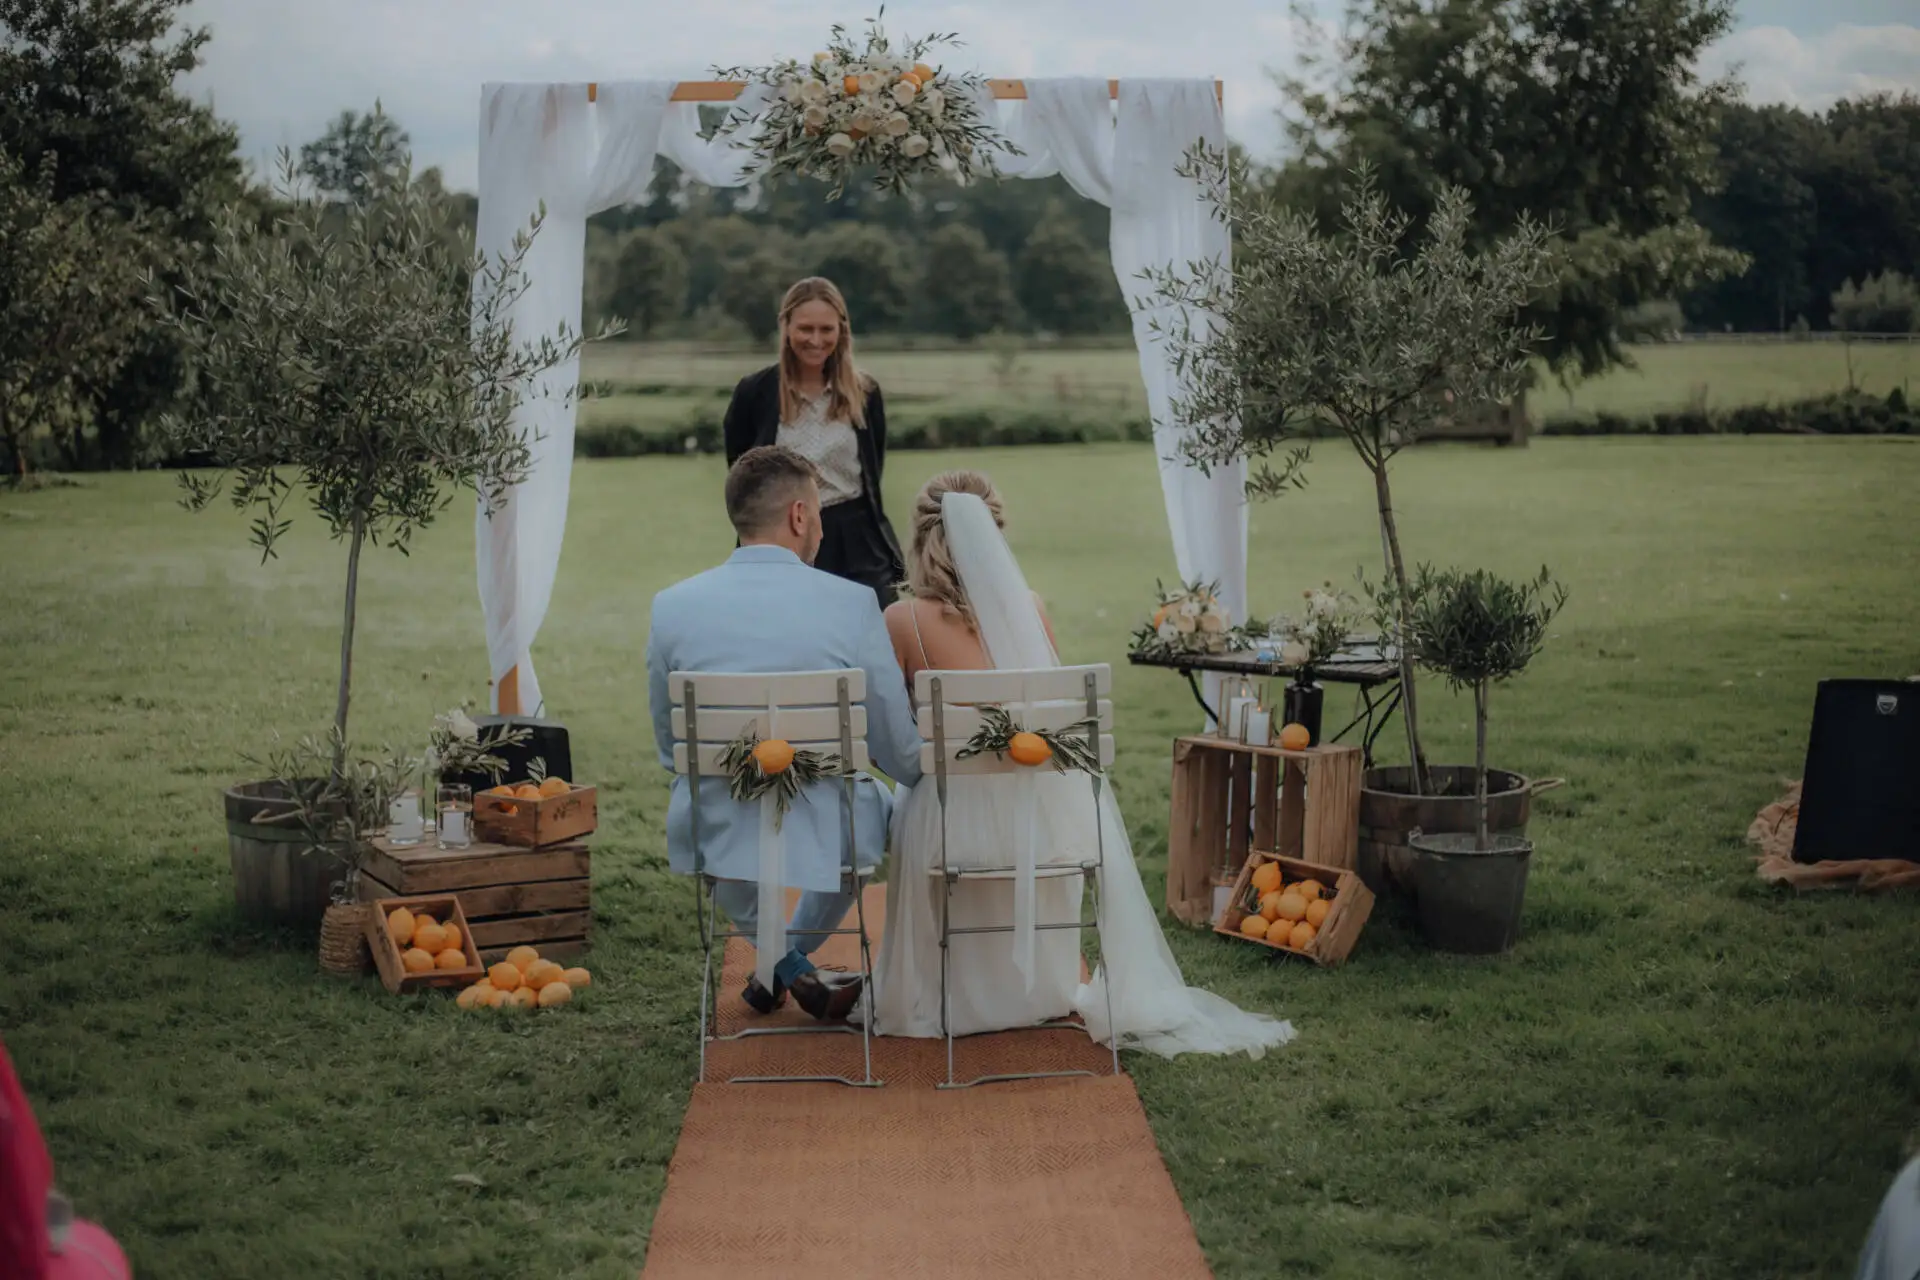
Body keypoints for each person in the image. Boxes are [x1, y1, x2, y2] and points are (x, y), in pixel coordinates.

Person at [870, 469, 1296, 1059]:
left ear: (920, 539)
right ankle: (1035, 988)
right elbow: (1052, 719)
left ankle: (942, 988)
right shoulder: (1029, 608)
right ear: (995, 535)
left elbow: (894, 742)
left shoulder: (901, 620)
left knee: (914, 795)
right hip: (1042, 821)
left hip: (951, 827)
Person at [646, 446, 923, 1020]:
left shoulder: (671, 607)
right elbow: (899, 751)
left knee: (708, 803)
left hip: (717, 818)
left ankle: (781, 964)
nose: (820, 525)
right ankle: (791, 964)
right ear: (799, 515)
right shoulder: (853, 604)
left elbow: (674, 752)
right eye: (818, 511)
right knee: (876, 811)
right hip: (833, 820)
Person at [721, 277, 905, 607]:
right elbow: (743, 473)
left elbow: (872, 471)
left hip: (857, 542)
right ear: (786, 326)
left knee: (875, 629)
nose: (816, 340)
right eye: (805, 329)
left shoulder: (865, 393)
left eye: (826, 329)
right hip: (783, 538)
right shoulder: (754, 393)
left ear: (842, 330)